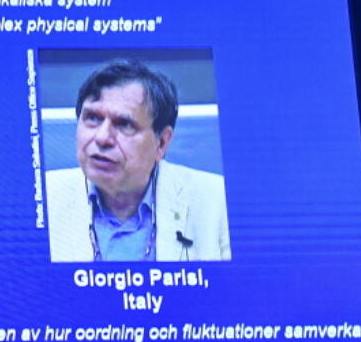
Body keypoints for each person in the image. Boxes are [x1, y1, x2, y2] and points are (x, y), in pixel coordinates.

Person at [45, 58, 230, 262]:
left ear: (161, 143)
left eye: (124, 124)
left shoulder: (218, 203)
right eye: (92, 119)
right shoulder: (43, 199)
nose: (102, 137)